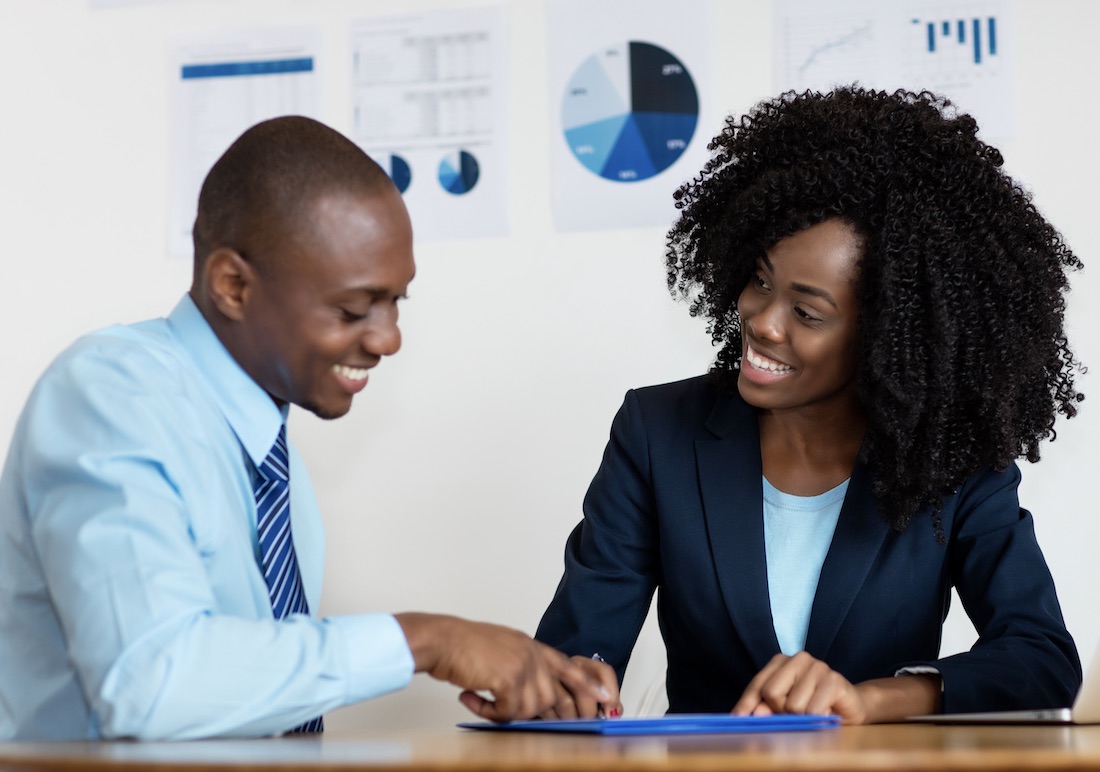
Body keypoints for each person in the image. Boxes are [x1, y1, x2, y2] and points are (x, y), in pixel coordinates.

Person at [0, 116, 619, 741]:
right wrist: (426, 640)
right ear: (232, 285)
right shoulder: (113, 396)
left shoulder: (270, 459)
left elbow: (240, 696)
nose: (388, 339)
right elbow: (153, 685)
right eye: (353, 309)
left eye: (396, 303)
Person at [536, 87, 1084, 724]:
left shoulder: (950, 461)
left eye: (806, 312)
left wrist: (872, 699)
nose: (762, 322)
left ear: (888, 336)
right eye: (759, 281)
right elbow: (577, 650)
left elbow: (1042, 660)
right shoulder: (657, 433)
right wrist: (571, 683)